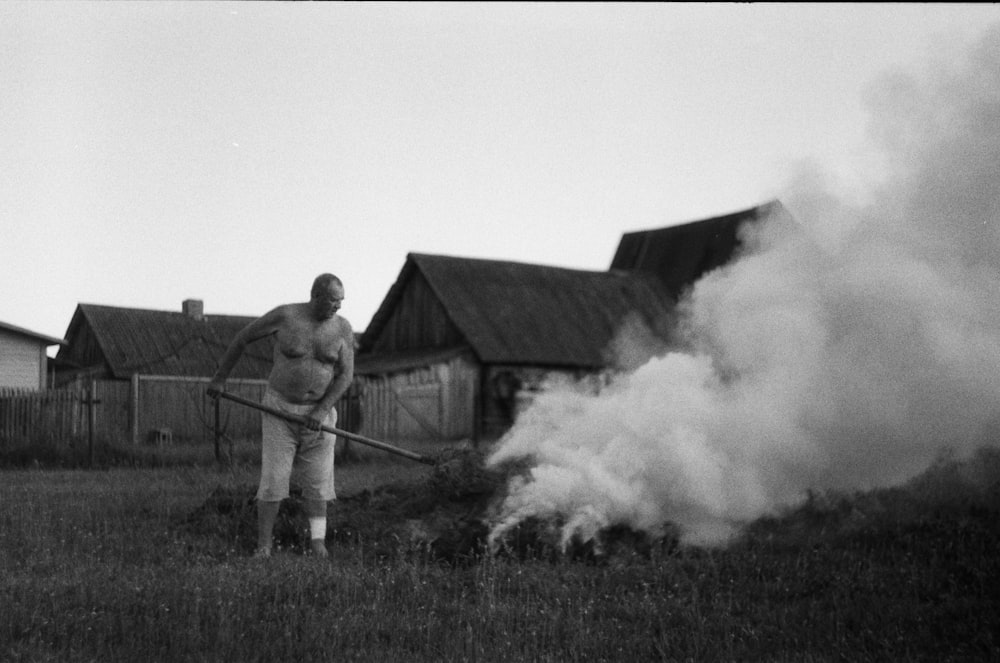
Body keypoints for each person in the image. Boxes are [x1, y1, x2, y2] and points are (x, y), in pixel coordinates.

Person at [208, 273, 354, 559]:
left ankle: (317, 543)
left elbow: (346, 375)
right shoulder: (286, 316)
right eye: (333, 301)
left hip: (320, 417)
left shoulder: (342, 329)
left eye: (341, 302)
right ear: (316, 296)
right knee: (274, 479)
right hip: (279, 409)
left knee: (319, 482)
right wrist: (219, 378)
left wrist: (321, 410)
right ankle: (264, 546)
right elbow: (242, 339)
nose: (338, 308)